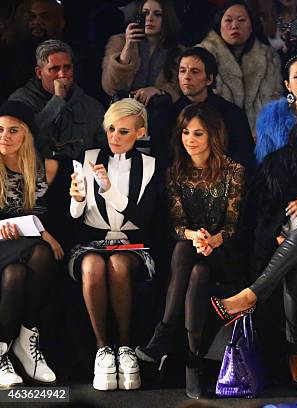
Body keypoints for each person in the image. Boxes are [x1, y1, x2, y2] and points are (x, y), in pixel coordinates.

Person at [211, 98, 297, 387]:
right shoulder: (278, 164)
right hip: (289, 254)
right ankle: (296, 353)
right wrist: (276, 235)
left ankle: (251, 295)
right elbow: (260, 215)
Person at [136, 103, 246, 399]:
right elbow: (176, 225)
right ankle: (193, 362)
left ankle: (164, 333)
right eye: (185, 132)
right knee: (192, 264)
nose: (190, 139)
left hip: (225, 253)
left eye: (198, 133)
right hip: (192, 250)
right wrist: (196, 236)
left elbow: (234, 226)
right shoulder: (175, 172)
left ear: (212, 135)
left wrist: (214, 240)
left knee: (189, 256)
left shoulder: (233, 171)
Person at [67, 98, 162, 391]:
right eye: (111, 130)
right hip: (92, 244)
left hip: (133, 246)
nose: (115, 137)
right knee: (94, 265)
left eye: (124, 131)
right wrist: (78, 198)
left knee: (119, 264)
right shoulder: (89, 156)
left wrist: (109, 190)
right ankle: (103, 350)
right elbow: (74, 215)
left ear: (140, 133)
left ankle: (125, 348)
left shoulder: (152, 164)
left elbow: (144, 218)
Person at [0, 100, 60, 387]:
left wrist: (41, 231)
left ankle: (13, 344)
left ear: (26, 135)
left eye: (13, 130)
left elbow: (36, 214)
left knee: (18, 274)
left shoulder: (41, 167)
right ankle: (26, 334)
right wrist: (43, 234)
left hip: (19, 250)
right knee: (41, 248)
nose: (4, 137)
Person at [9, 39, 106, 159]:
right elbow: (18, 139)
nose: (62, 74)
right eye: (54, 69)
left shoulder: (91, 106)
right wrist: (57, 100)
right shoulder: (20, 101)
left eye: (67, 67)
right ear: (39, 73)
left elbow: (103, 149)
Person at [197, 0, 282, 132]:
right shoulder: (200, 56)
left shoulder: (269, 57)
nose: (235, 25)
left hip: (260, 137)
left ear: (252, 26)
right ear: (219, 24)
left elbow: (275, 101)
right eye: (228, 20)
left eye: (242, 20)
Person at [170, 47, 255, 173]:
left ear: (209, 79)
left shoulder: (231, 114)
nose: (186, 77)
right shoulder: (169, 113)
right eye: (182, 71)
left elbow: (244, 161)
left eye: (195, 71)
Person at [101, 0, 183, 104]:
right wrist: (128, 46)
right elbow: (111, 86)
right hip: (124, 109)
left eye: (157, 14)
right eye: (145, 13)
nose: (150, 18)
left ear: (167, 18)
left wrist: (159, 91)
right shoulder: (119, 41)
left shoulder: (178, 51)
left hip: (159, 112)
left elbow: (179, 92)